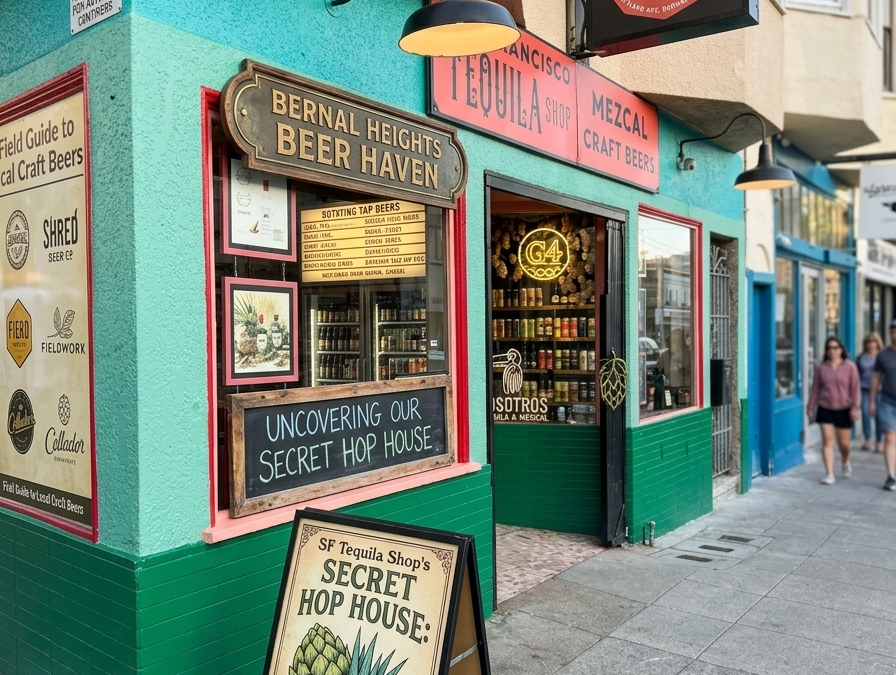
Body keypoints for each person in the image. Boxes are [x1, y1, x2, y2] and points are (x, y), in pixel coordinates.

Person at [806, 337, 860, 485]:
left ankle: (845, 460)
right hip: (825, 408)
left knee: (844, 444)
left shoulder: (850, 367)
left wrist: (855, 408)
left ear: (841, 349)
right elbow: (815, 389)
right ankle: (829, 473)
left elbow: (855, 389)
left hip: (844, 408)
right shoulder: (821, 368)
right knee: (828, 441)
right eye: (829, 348)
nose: (832, 351)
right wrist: (810, 408)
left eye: (835, 348)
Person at [869, 320, 896, 491]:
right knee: (890, 436)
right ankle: (891, 476)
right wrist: (872, 401)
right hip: (887, 401)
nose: (895, 334)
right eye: (892, 330)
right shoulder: (883, 355)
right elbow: (875, 379)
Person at [856, 332, 884, 452]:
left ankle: (879, 441)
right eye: (868, 342)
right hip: (864, 388)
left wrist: (883, 384)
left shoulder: (882, 356)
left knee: (879, 416)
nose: (871, 345)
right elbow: (856, 374)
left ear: (878, 343)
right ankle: (868, 439)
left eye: (873, 342)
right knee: (866, 414)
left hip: (880, 390)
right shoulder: (861, 357)